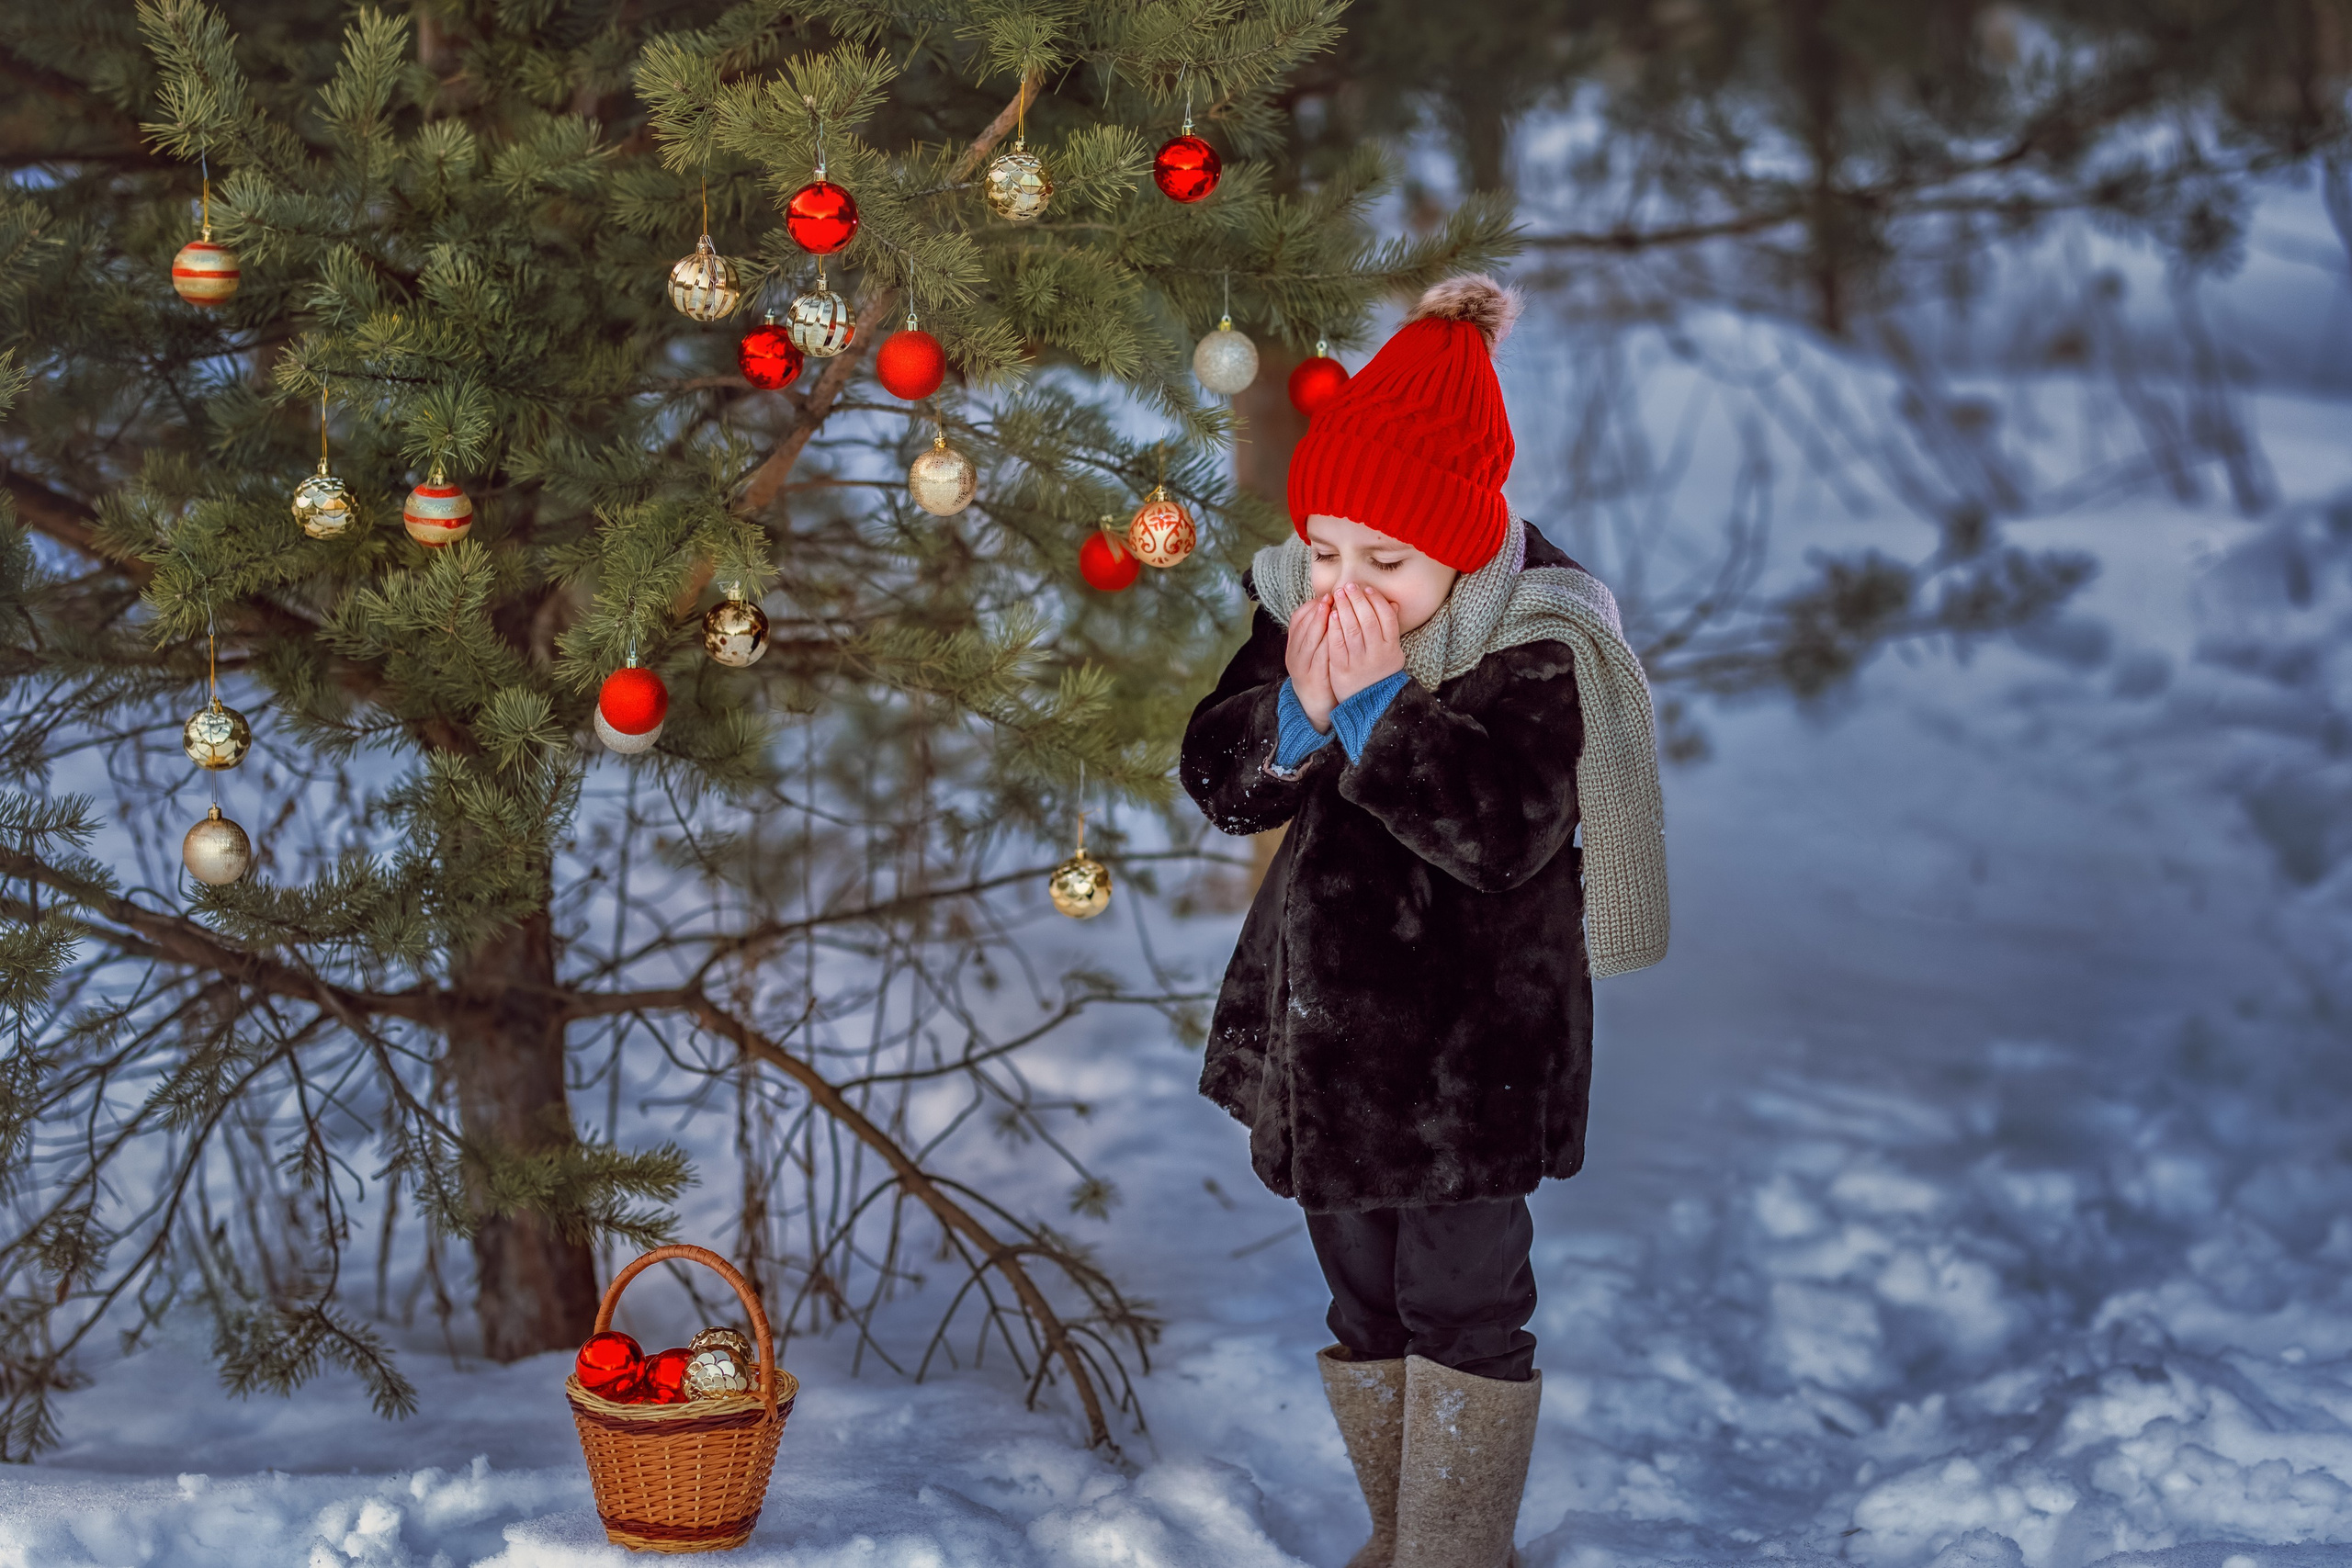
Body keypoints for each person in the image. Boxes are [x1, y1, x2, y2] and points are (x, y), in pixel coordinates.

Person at [1180, 276, 1670, 1568]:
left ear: (1465, 542)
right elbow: (1224, 786)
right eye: (1329, 551)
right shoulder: (1302, 603)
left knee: (1461, 1299)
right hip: (1324, 1033)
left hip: (1472, 1055)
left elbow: (1506, 832)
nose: (1347, 586)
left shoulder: (1540, 636)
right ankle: (1399, 1532)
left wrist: (1383, 711)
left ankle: (1459, 1549)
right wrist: (1296, 707)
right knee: (1362, 1292)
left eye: (1386, 565)